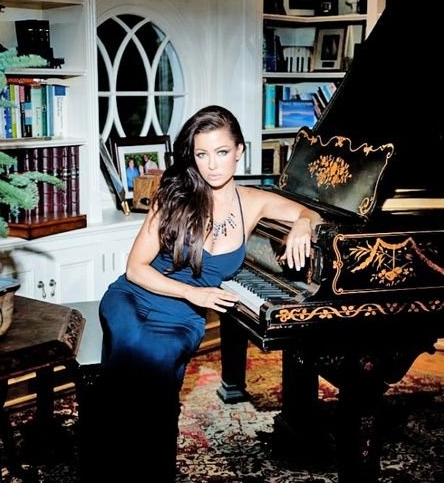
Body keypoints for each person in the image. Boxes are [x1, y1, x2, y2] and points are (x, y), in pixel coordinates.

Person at [97, 105, 323, 481]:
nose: (212, 165)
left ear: (239, 151)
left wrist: (302, 225)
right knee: (139, 355)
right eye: (202, 154)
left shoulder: (254, 202)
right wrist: (196, 294)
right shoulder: (172, 196)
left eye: (221, 152)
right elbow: (135, 269)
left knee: (158, 362)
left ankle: (145, 464)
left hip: (182, 317)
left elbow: (312, 214)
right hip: (135, 298)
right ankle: (120, 460)